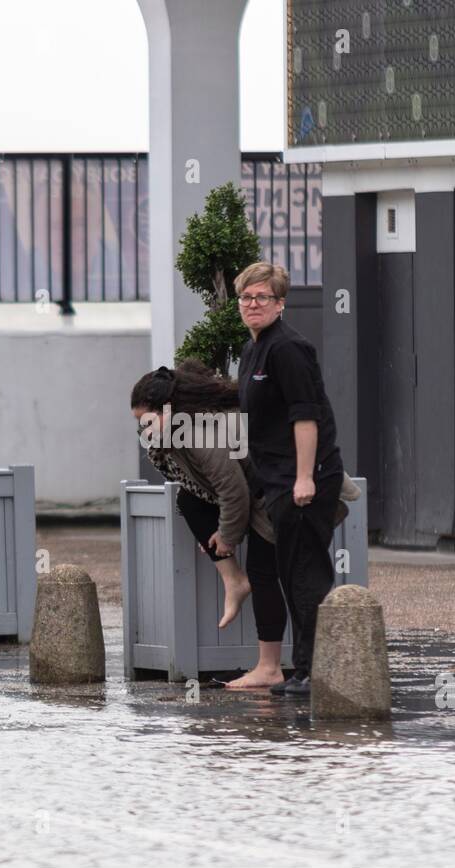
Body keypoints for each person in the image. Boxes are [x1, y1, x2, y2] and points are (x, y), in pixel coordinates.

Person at [131, 360, 287, 688]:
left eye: (147, 420)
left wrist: (227, 536)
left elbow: (235, 492)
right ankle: (235, 582)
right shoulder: (179, 430)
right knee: (188, 501)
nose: (143, 430)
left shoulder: (200, 433)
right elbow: (209, 489)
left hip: (278, 494)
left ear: (169, 409)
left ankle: (271, 668)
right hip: (261, 492)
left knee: (264, 573)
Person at [235, 261, 345, 696]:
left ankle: (313, 671)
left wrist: (305, 478)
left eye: (263, 297)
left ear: (280, 304)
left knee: (306, 575)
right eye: (246, 297)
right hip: (276, 480)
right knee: (289, 573)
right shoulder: (253, 350)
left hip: (304, 480)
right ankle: (301, 669)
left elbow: (305, 415)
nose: (253, 304)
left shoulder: (288, 349)